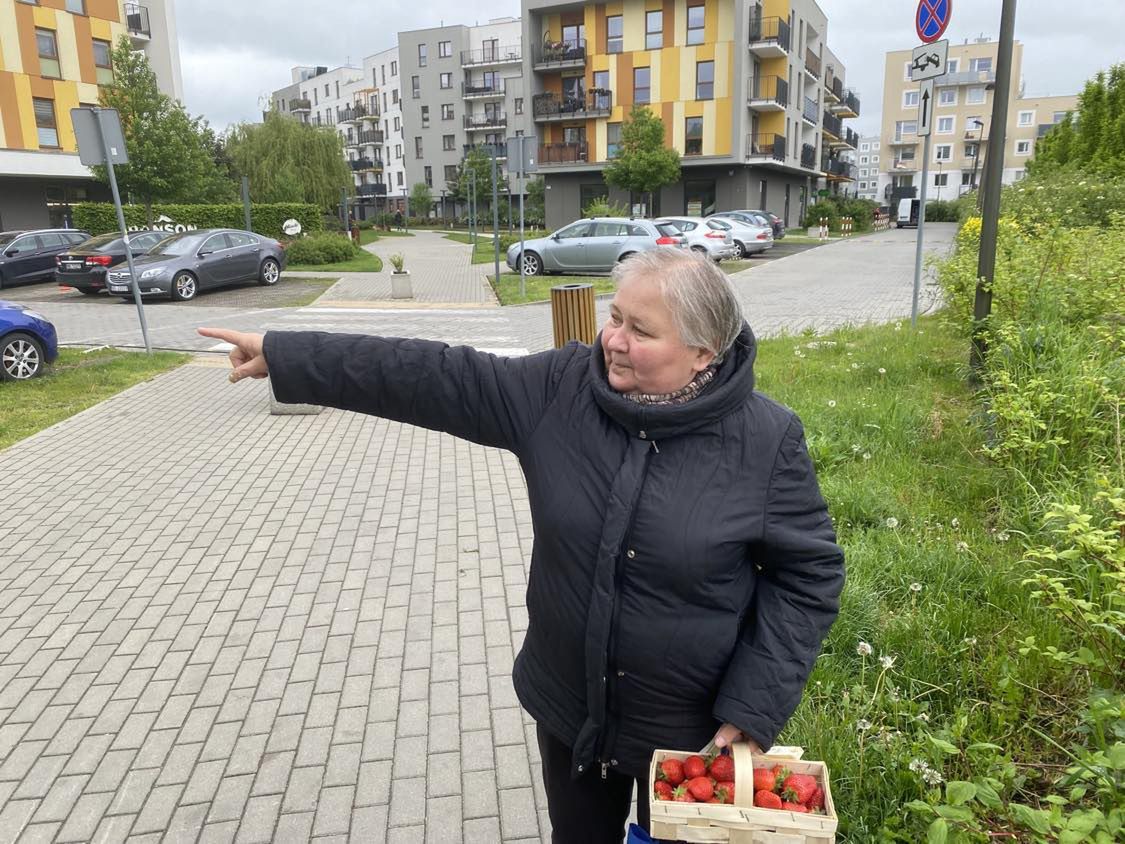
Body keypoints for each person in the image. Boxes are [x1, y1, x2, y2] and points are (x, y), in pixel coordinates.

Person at [198, 249, 845, 844]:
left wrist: (753, 704)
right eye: (613, 317)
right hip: (571, 713)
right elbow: (431, 376)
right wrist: (290, 356)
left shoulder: (765, 440)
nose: (612, 341)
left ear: (703, 354)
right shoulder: (557, 391)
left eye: (640, 332)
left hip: (691, 734)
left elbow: (806, 577)